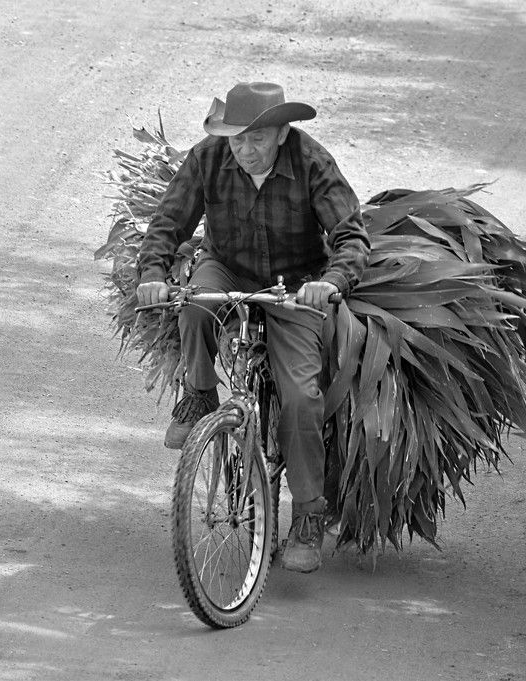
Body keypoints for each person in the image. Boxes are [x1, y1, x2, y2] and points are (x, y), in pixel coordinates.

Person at [136, 82, 370, 573]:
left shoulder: (312, 163)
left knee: (302, 396)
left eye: (257, 139)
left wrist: (330, 282)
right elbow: (169, 222)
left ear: (282, 132)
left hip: (295, 286)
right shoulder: (208, 159)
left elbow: (350, 234)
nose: (245, 150)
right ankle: (200, 395)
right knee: (195, 306)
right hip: (228, 269)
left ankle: (307, 514)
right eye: (237, 140)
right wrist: (154, 274)